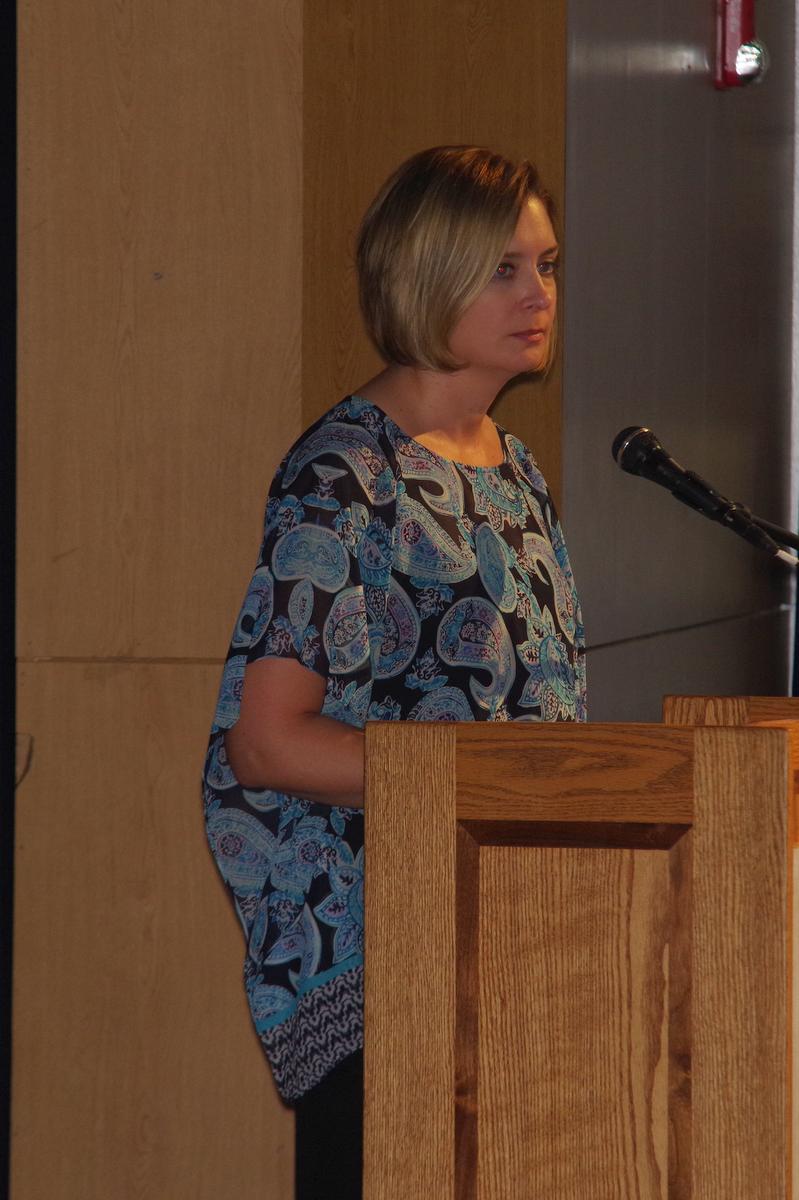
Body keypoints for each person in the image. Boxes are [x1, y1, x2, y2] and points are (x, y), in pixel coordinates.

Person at [202, 145, 587, 1199]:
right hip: (386, 960)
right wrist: (491, 777)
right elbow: (268, 742)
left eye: (546, 265)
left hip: (513, 939)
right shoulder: (346, 474)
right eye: (502, 269)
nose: (537, 295)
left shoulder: (512, 466)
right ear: (425, 274)